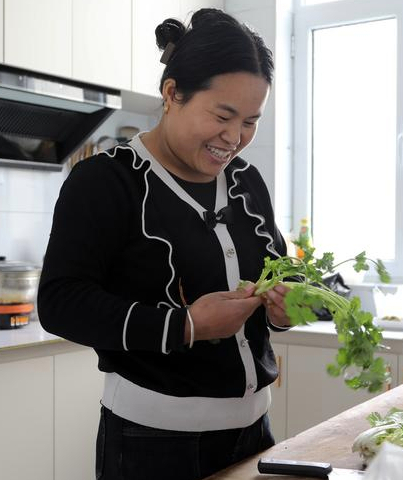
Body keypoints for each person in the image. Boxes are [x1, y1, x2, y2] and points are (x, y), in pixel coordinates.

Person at [38, 8, 292, 480]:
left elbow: (279, 267)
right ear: (172, 93)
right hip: (150, 444)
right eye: (223, 115)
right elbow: (59, 303)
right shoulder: (105, 181)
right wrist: (186, 325)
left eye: (251, 122)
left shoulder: (245, 181)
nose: (235, 139)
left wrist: (287, 303)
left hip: (254, 434)